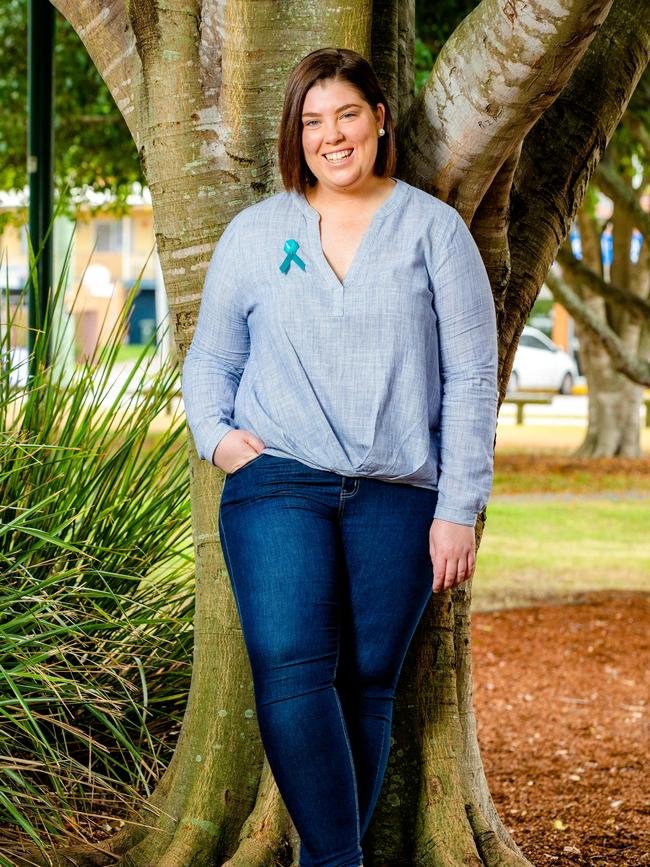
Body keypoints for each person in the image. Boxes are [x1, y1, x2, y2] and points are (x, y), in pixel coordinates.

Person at [182, 46, 498, 867]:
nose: (332, 136)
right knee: (290, 667)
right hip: (278, 479)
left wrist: (459, 506)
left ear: (380, 118)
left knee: (364, 684)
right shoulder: (256, 234)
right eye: (313, 120)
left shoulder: (435, 230)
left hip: (398, 493)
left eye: (347, 114)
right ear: (296, 133)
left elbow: (470, 377)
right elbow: (210, 360)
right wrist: (216, 436)